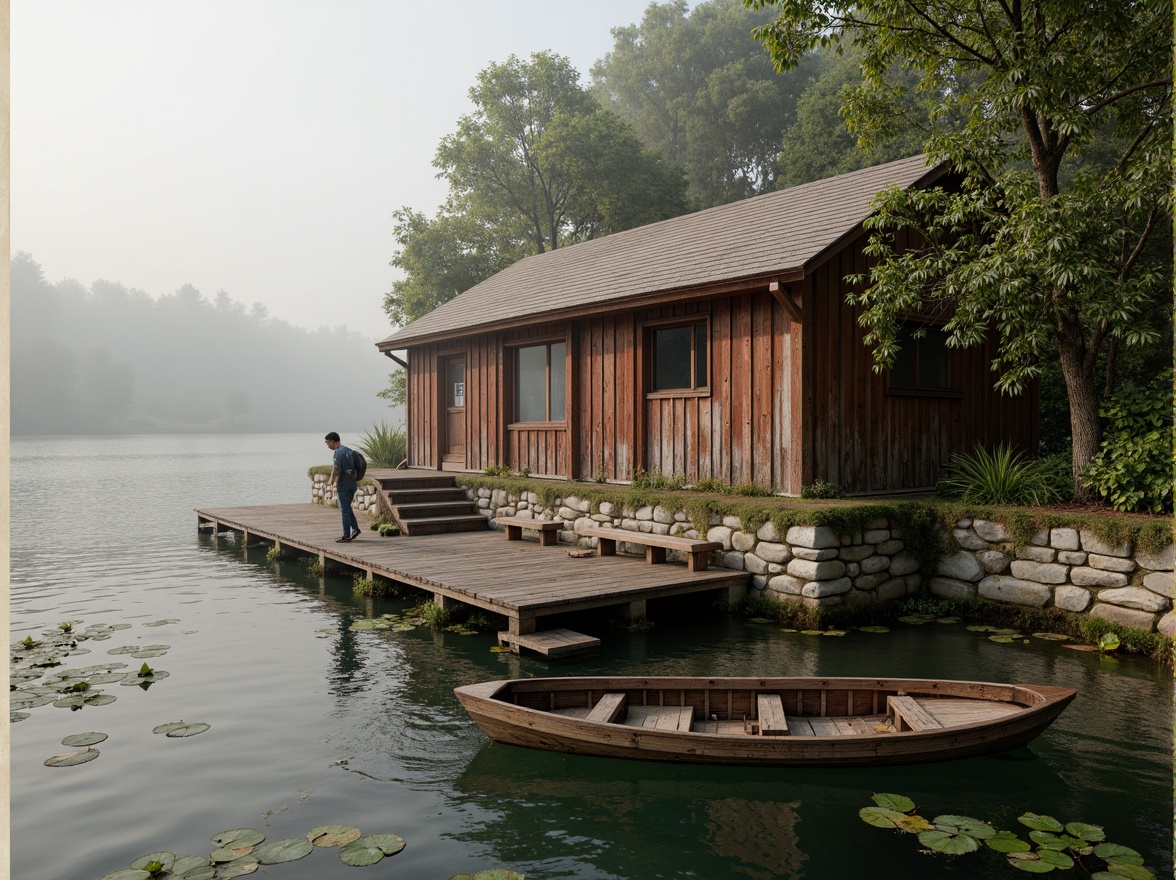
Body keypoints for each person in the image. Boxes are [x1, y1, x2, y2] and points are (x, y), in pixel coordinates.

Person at [325, 432, 362, 542]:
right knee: (347, 507)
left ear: (332, 441)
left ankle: (346, 535)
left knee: (344, 510)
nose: (327, 445)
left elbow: (337, 469)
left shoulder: (338, 452)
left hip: (344, 485)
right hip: (352, 484)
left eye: (327, 442)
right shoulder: (348, 450)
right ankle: (355, 529)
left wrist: (331, 482)